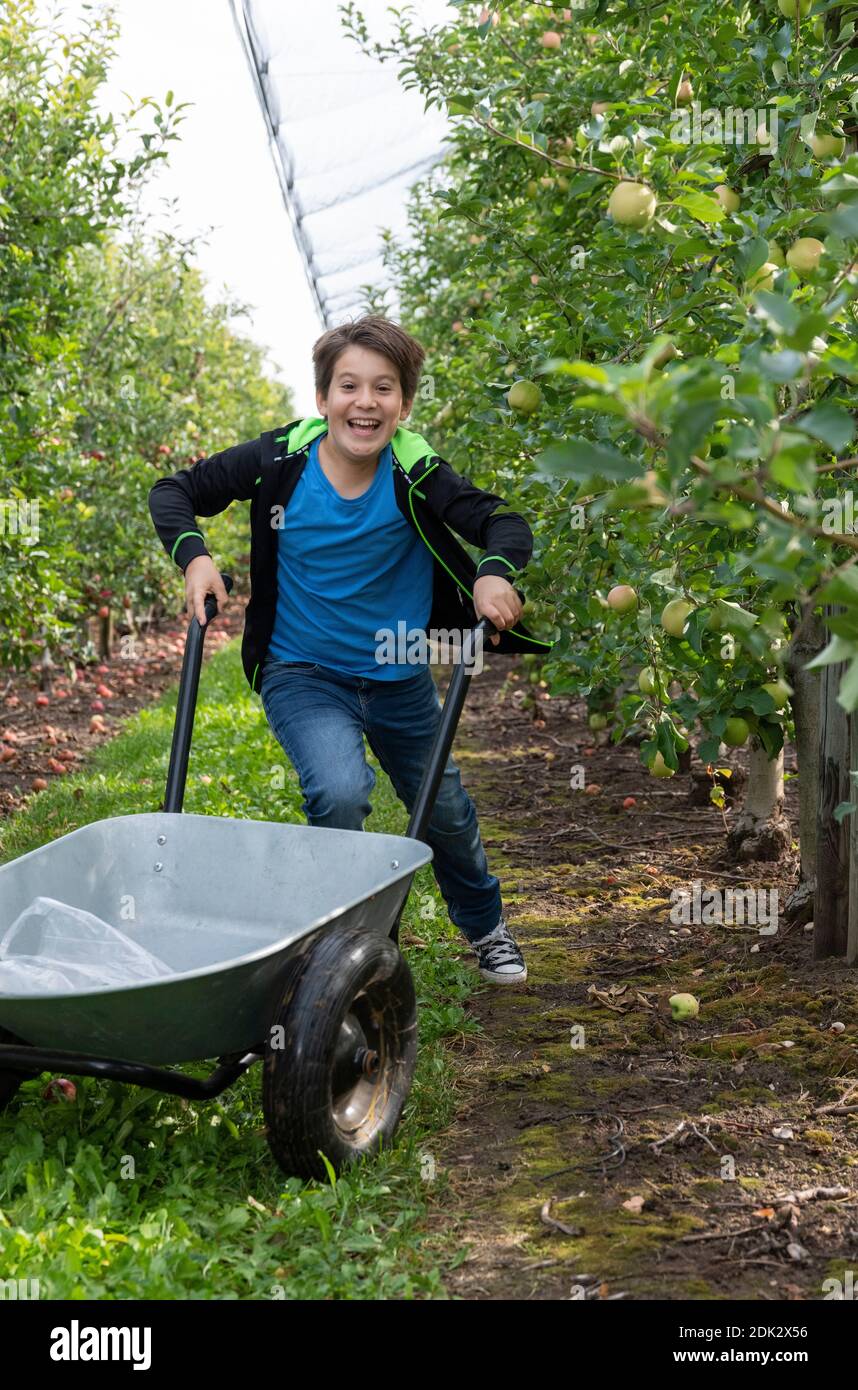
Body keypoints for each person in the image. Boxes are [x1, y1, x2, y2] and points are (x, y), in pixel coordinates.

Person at [149, 315, 552, 984]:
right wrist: (193, 557)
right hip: (302, 671)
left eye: (384, 388)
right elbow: (177, 491)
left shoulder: (414, 467)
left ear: (404, 404)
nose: (365, 403)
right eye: (349, 386)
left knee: (446, 811)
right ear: (322, 399)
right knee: (338, 791)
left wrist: (494, 569)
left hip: (397, 674)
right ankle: (340, 946)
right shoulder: (281, 459)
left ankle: (487, 926)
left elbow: (501, 520)